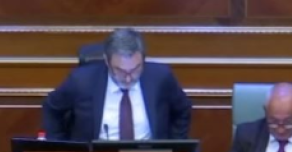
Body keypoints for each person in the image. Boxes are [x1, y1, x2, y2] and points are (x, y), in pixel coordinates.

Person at [42, 28, 191, 141]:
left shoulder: (161, 77)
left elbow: (183, 109)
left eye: (135, 69)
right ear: (107, 61)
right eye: (120, 71)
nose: (128, 79)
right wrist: (60, 148)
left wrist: (175, 147)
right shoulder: (81, 81)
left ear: (143, 59)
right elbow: (52, 108)